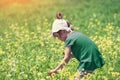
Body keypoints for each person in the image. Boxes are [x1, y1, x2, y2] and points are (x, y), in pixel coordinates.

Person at [48, 13, 105, 80]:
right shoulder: (75, 34)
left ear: (63, 31)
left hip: (88, 59)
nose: (59, 39)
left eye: (58, 36)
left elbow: (66, 58)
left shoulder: (69, 40)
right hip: (94, 57)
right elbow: (83, 50)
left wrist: (55, 70)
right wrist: (72, 56)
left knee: (77, 78)